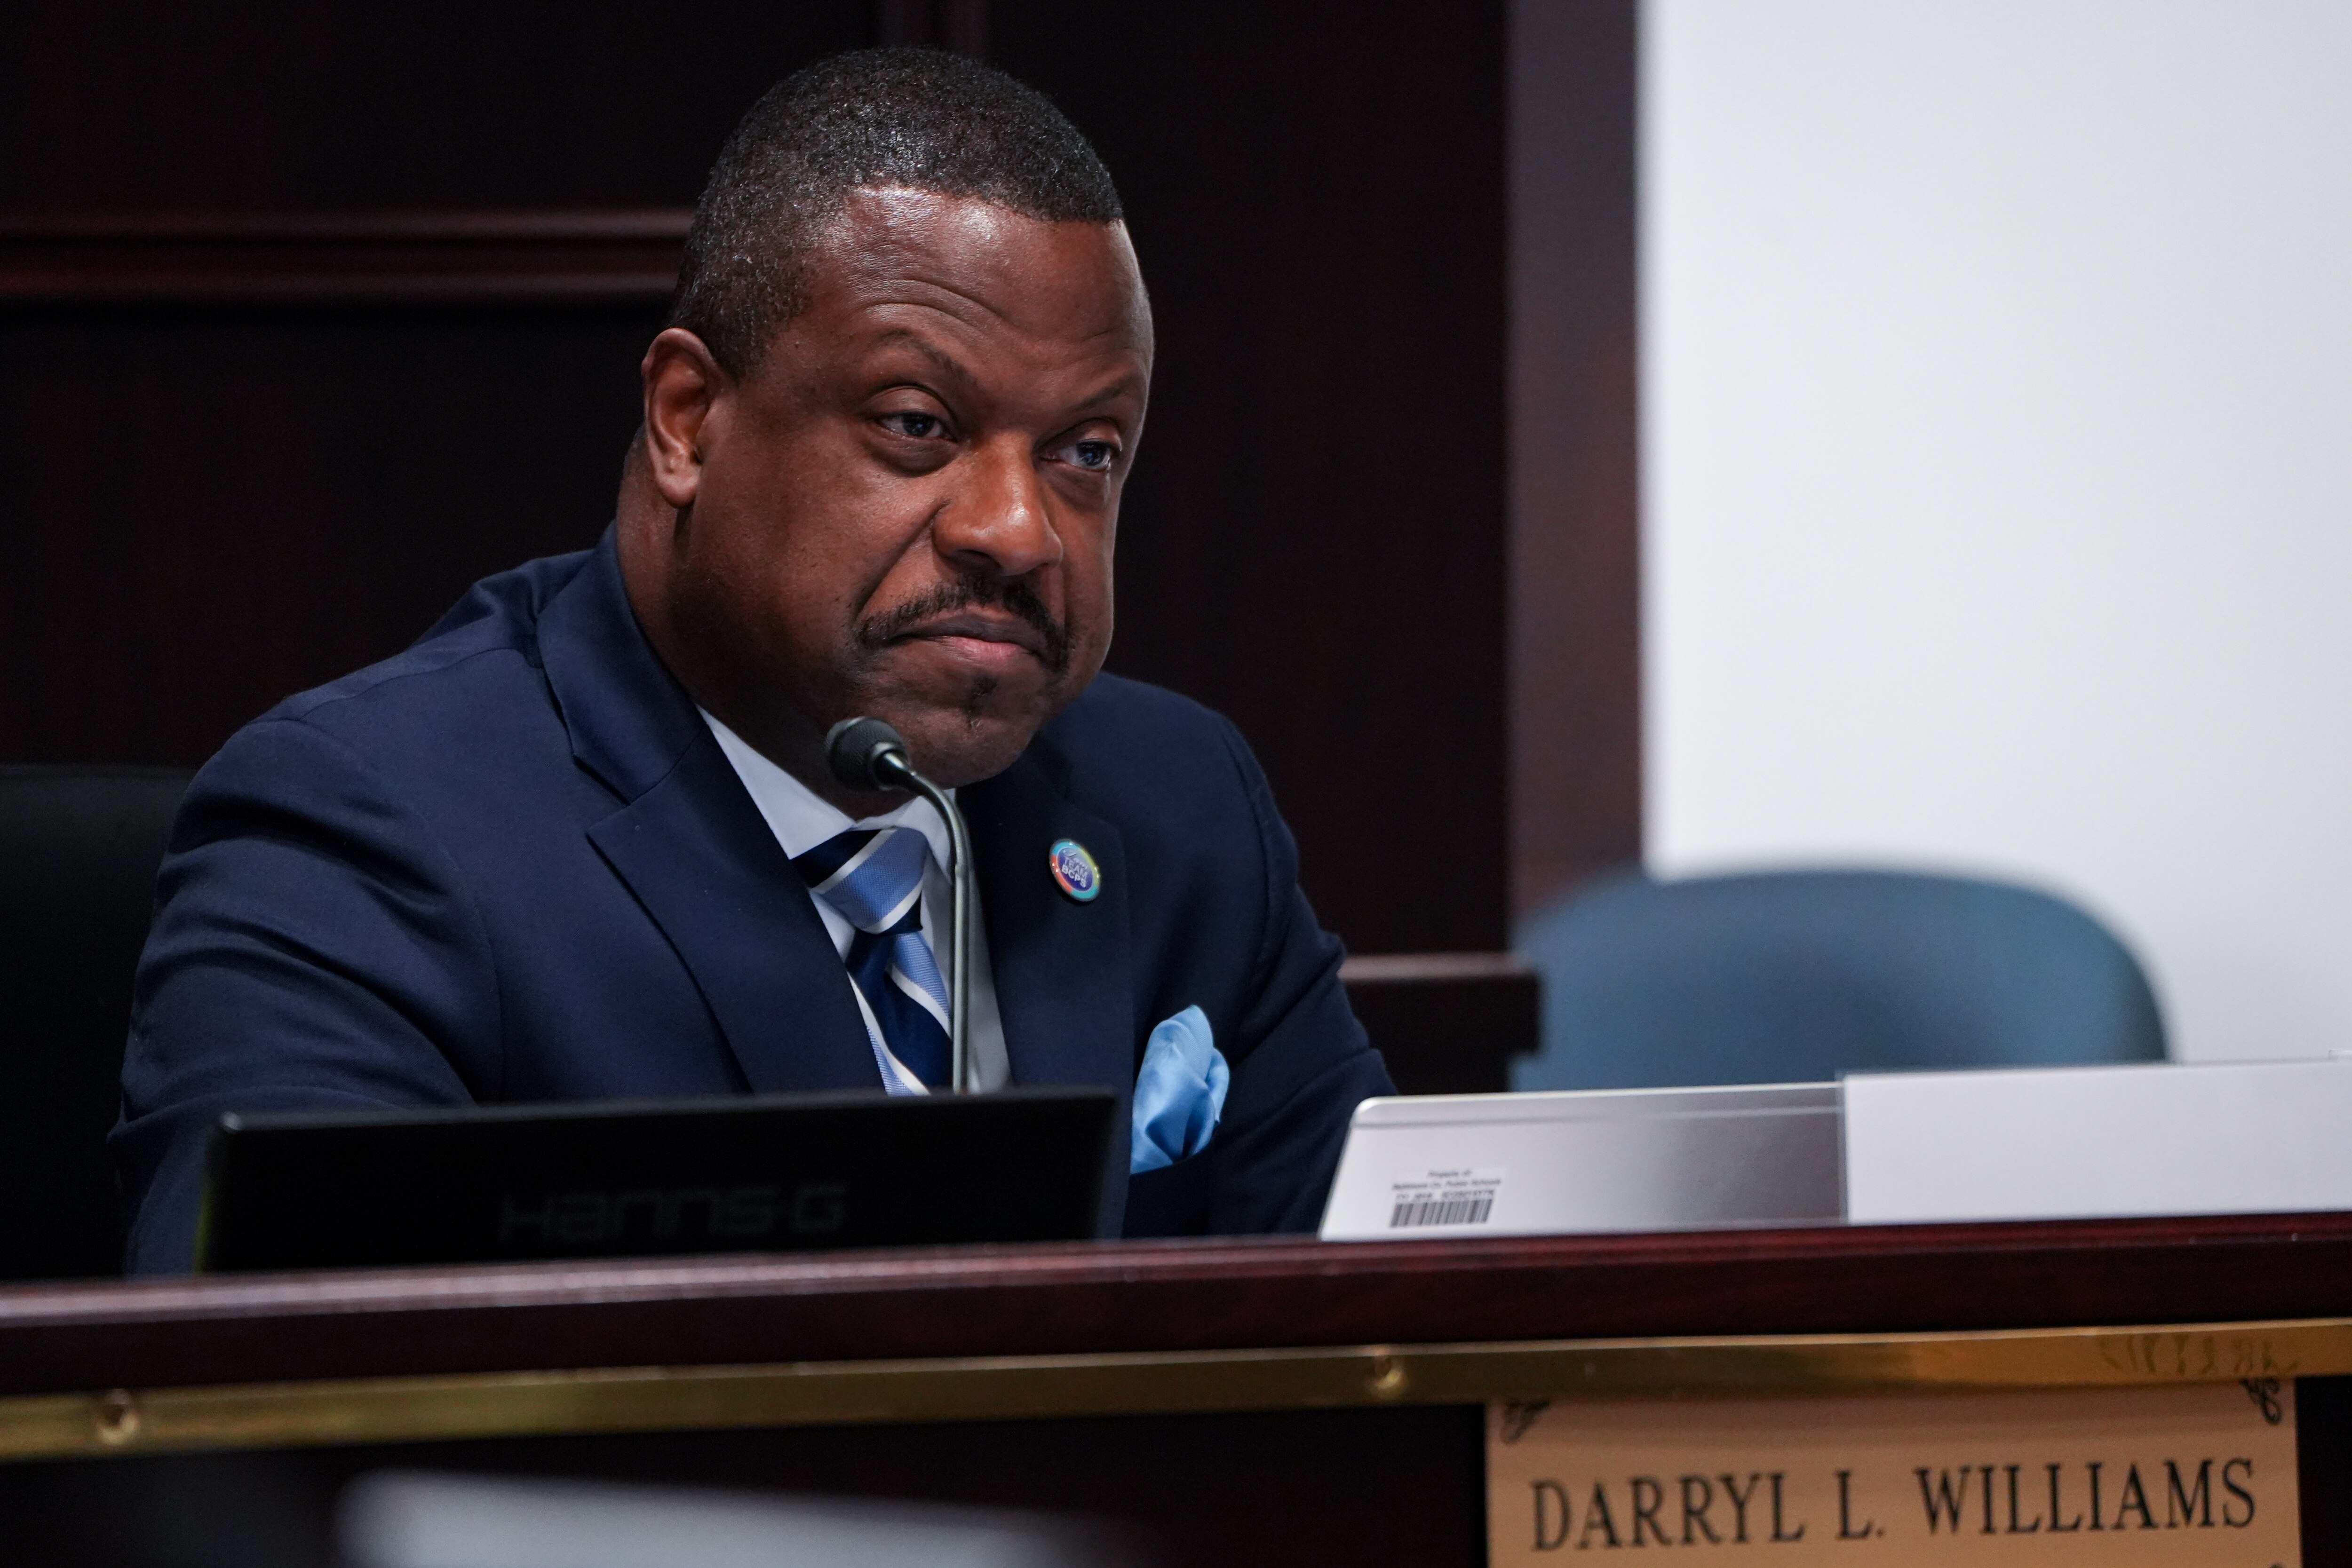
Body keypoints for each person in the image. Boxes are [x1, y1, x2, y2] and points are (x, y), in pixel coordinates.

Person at [112, 48, 1393, 1273]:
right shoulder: (375, 834)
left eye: (1087, 452)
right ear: (688, 422)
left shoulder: (1177, 808)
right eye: (917, 426)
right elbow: (265, 1421)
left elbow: (1400, 1328)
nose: (1017, 531)